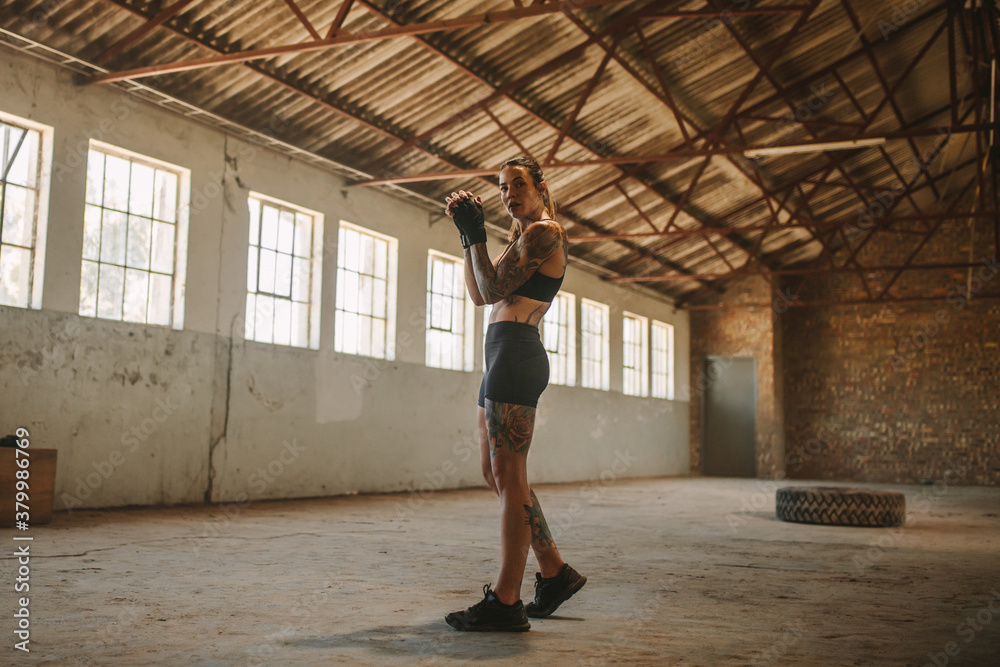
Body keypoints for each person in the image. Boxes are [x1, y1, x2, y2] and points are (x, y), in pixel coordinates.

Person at [443, 157, 587, 632]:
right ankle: (555, 572)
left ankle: (506, 602)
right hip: (499, 356)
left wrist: (473, 234)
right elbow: (479, 292)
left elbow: (490, 289)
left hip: (518, 356)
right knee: (496, 473)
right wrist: (470, 238)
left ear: (541, 186)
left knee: (510, 474)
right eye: (502, 187)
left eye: (518, 184)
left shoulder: (547, 233)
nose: (509, 194)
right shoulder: (517, 240)